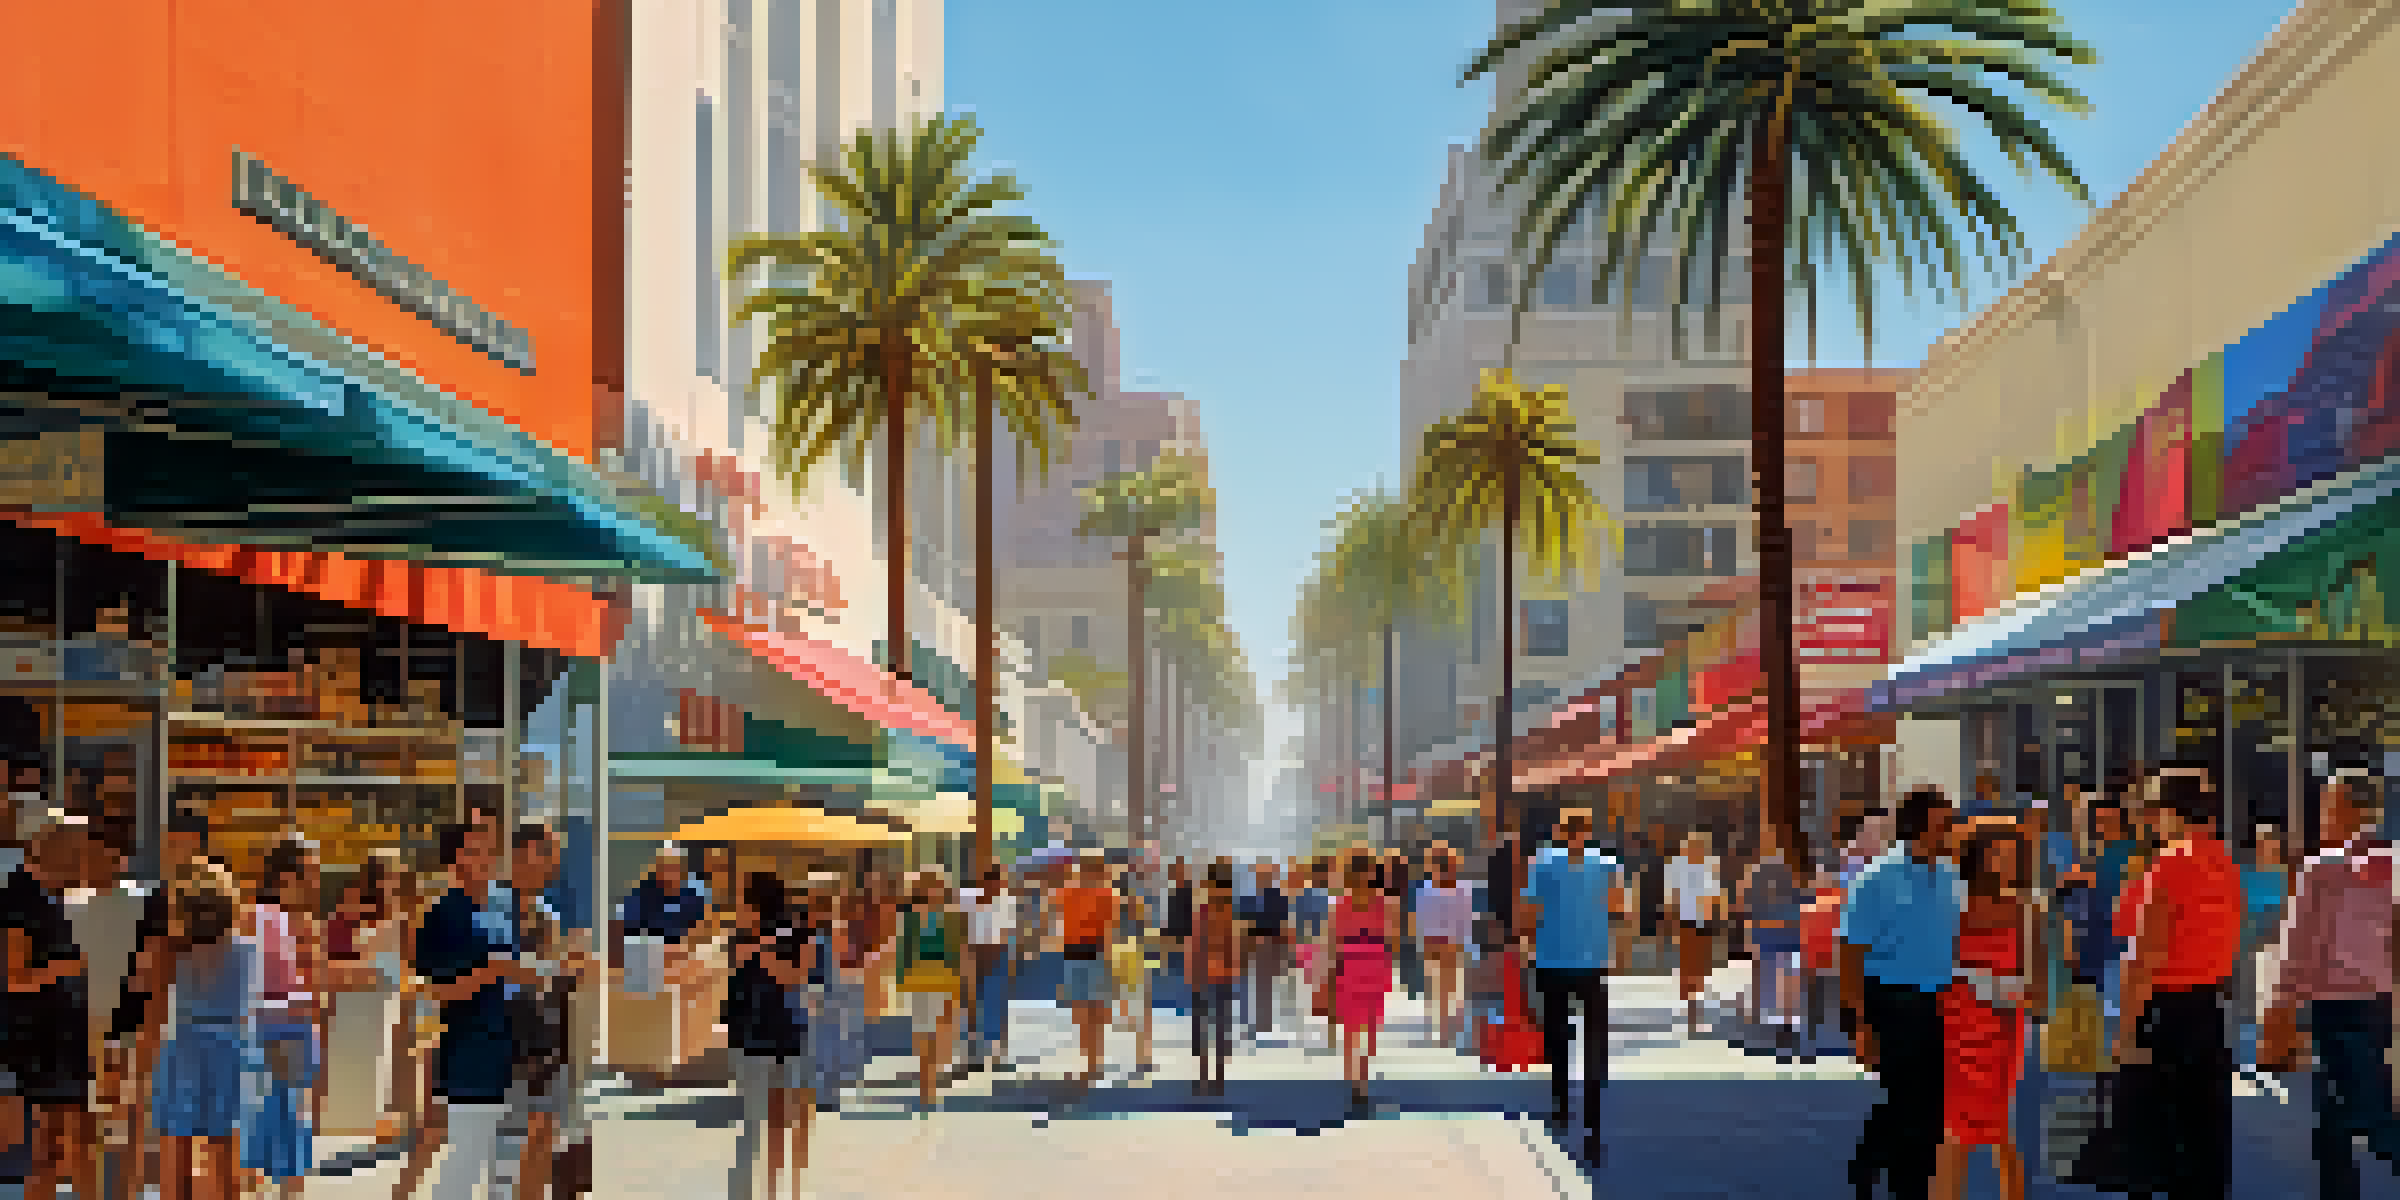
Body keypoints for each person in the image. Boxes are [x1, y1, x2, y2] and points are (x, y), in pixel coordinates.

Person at [2261, 768, 2400, 1200]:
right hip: (2377, 1000)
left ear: (2346, 808)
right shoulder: (2395, 863)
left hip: (2331, 1002)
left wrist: (2279, 1011)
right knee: (2360, 1102)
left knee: (2344, 1111)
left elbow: (2298, 947)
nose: (2321, 813)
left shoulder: (2322, 869)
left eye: (2326, 803)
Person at [1839, 785, 1962, 1200]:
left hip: (1940, 1002)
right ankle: (1901, 1182)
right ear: (1918, 828)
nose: (1950, 831)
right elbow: (1850, 952)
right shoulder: (1875, 879)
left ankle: (1874, 1158)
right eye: (1943, 824)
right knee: (1908, 1097)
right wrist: (1858, 1022)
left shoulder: (1950, 877)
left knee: (1934, 1102)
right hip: (1890, 1000)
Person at [416, 822, 541, 1200]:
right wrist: (490, 972)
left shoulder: (501, 909)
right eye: (476, 851)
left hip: (510, 1051)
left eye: (489, 850)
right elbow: (435, 992)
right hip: (467, 1055)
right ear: (455, 861)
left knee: (503, 1164)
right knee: (467, 1157)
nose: (487, 858)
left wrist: (550, 970)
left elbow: (516, 971)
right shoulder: (443, 916)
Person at [1933, 825, 2044, 1200]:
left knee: (1999, 1127)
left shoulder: (2028, 909)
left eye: (2012, 855)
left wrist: (2002, 988)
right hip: (1953, 1024)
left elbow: (2039, 986)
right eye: (1997, 853)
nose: (2005, 863)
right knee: (1951, 1130)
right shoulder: (1949, 904)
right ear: (1976, 856)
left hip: (2002, 1028)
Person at [141, 859, 256, 1200]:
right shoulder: (246, 949)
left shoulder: (168, 950)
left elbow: (155, 1015)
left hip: (184, 1048)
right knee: (225, 1151)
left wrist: (144, 1070)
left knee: (176, 1150)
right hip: (230, 1050)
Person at [1517, 808, 1625, 1158]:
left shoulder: (1543, 864)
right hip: (1591, 962)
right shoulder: (1607, 865)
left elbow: (1529, 913)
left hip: (1551, 961)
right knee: (1593, 1040)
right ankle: (1591, 1119)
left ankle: (1561, 1105)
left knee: (1557, 1036)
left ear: (1560, 832)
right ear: (1588, 831)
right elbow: (1619, 908)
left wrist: (1526, 945)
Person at [1, 820, 98, 1200]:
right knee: (50, 1146)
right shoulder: (18, 899)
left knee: (66, 1143)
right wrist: (65, 968)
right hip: (39, 1042)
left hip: (61, 1037)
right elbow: (13, 976)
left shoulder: (53, 896)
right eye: (78, 852)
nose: (84, 860)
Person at [723, 871, 816, 1200]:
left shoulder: (799, 932)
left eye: (741, 898)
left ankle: (780, 1188)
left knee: (781, 1112)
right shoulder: (741, 934)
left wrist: (764, 951)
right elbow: (735, 968)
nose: (736, 904)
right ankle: (752, 1189)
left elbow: (796, 976)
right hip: (748, 1032)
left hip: (785, 1030)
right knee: (751, 1115)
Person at [498, 824, 576, 1200]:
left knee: (546, 1129)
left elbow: (546, 977)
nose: (554, 863)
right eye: (547, 853)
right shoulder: (494, 908)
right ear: (521, 855)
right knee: (502, 1143)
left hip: (545, 1030)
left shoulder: (547, 912)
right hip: (504, 1034)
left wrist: (568, 969)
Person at [245, 837, 323, 1198]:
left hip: (292, 1027)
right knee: (275, 1114)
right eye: (311, 872)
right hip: (275, 1026)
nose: (317, 880)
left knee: (286, 1113)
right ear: (287, 876)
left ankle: (287, 1190)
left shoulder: (300, 921)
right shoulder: (260, 918)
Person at [1325, 849, 1399, 1108]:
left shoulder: (1377, 904)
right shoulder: (1351, 905)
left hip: (1367, 967)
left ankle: (1359, 1079)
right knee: (1356, 1028)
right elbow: (1334, 944)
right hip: (1358, 967)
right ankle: (1358, 1081)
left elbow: (1391, 939)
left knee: (1363, 1028)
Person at [894, 871, 964, 1111]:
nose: (933, 891)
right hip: (920, 980)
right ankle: (927, 1087)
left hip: (944, 979)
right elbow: (904, 950)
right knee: (924, 1034)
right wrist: (901, 980)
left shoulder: (951, 917)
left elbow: (957, 953)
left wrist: (958, 983)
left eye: (937, 886)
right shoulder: (912, 918)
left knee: (940, 1035)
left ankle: (930, 1082)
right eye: (929, 886)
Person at [1055, 855, 1119, 1088]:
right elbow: (1110, 931)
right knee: (1092, 1012)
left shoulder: (1071, 892)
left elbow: (1054, 914)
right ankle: (1094, 1064)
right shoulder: (1106, 894)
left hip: (1078, 954)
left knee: (1084, 1013)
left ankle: (1091, 1064)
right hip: (1092, 954)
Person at [1744, 828, 1808, 1061]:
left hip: (1783, 933)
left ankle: (1784, 1025)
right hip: (1777, 933)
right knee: (1779, 978)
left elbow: (1751, 906)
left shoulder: (1769, 873)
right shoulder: (1765, 874)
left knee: (1782, 978)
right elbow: (1751, 907)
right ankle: (1783, 1025)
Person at [2234, 824, 2289, 1073]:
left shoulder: (2286, 875)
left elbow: (2290, 914)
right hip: (2248, 950)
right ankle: (2247, 1058)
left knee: (2270, 1005)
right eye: (2262, 841)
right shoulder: (2245, 874)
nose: (2266, 845)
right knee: (2247, 1005)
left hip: (2275, 950)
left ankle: (2270, 1056)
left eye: (2270, 840)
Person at [1186, 862, 1242, 1095]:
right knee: (1204, 1030)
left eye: (1223, 886)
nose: (1218, 891)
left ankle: (1216, 1077)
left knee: (1219, 1030)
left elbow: (1234, 948)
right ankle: (1204, 1076)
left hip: (1221, 980)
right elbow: (1195, 946)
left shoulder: (1226, 915)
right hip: (1206, 979)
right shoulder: (1204, 913)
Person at [1414, 844, 1474, 1049]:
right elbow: (1465, 919)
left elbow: (1422, 921)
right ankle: (1449, 1029)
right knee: (1450, 988)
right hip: (1448, 943)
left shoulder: (1427, 889)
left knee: (1444, 989)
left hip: (1442, 943)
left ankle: (1447, 1030)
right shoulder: (1460, 888)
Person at [959, 865, 1018, 1072]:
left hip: (995, 956)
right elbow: (962, 930)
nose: (997, 886)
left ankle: (997, 1055)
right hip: (973, 956)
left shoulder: (1005, 902)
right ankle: (973, 1055)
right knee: (971, 1007)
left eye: (999, 883)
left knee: (996, 1007)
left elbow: (1006, 936)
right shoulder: (968, 899)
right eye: (994, 882)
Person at [1666, 831, 1725, 1034]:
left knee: (1701, 966)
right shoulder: (1677, 867)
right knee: (1688, 966)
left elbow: (1716, 895)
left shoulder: (1710, 866)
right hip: (1686, 923)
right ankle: (1692, 1008)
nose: (1698, 849)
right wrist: (1673, 925)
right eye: (1694, 845)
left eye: (1701, 846)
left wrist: (1720, 915)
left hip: (1705, 923)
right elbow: (1671, 898)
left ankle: (1695, 1002)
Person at [1239, 860, 1289, 1042]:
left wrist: (1279, 948)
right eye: (1260, 874)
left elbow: (1282, 925)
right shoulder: (1248, 897)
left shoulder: (1277, 897)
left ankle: (1262, 1024)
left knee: (1264, 986)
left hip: (1269, 947)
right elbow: (1240, 921)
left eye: (1267, 874)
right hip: (1248, 946)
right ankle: (1248, 1022)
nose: (1263, 878)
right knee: (1246, 984)